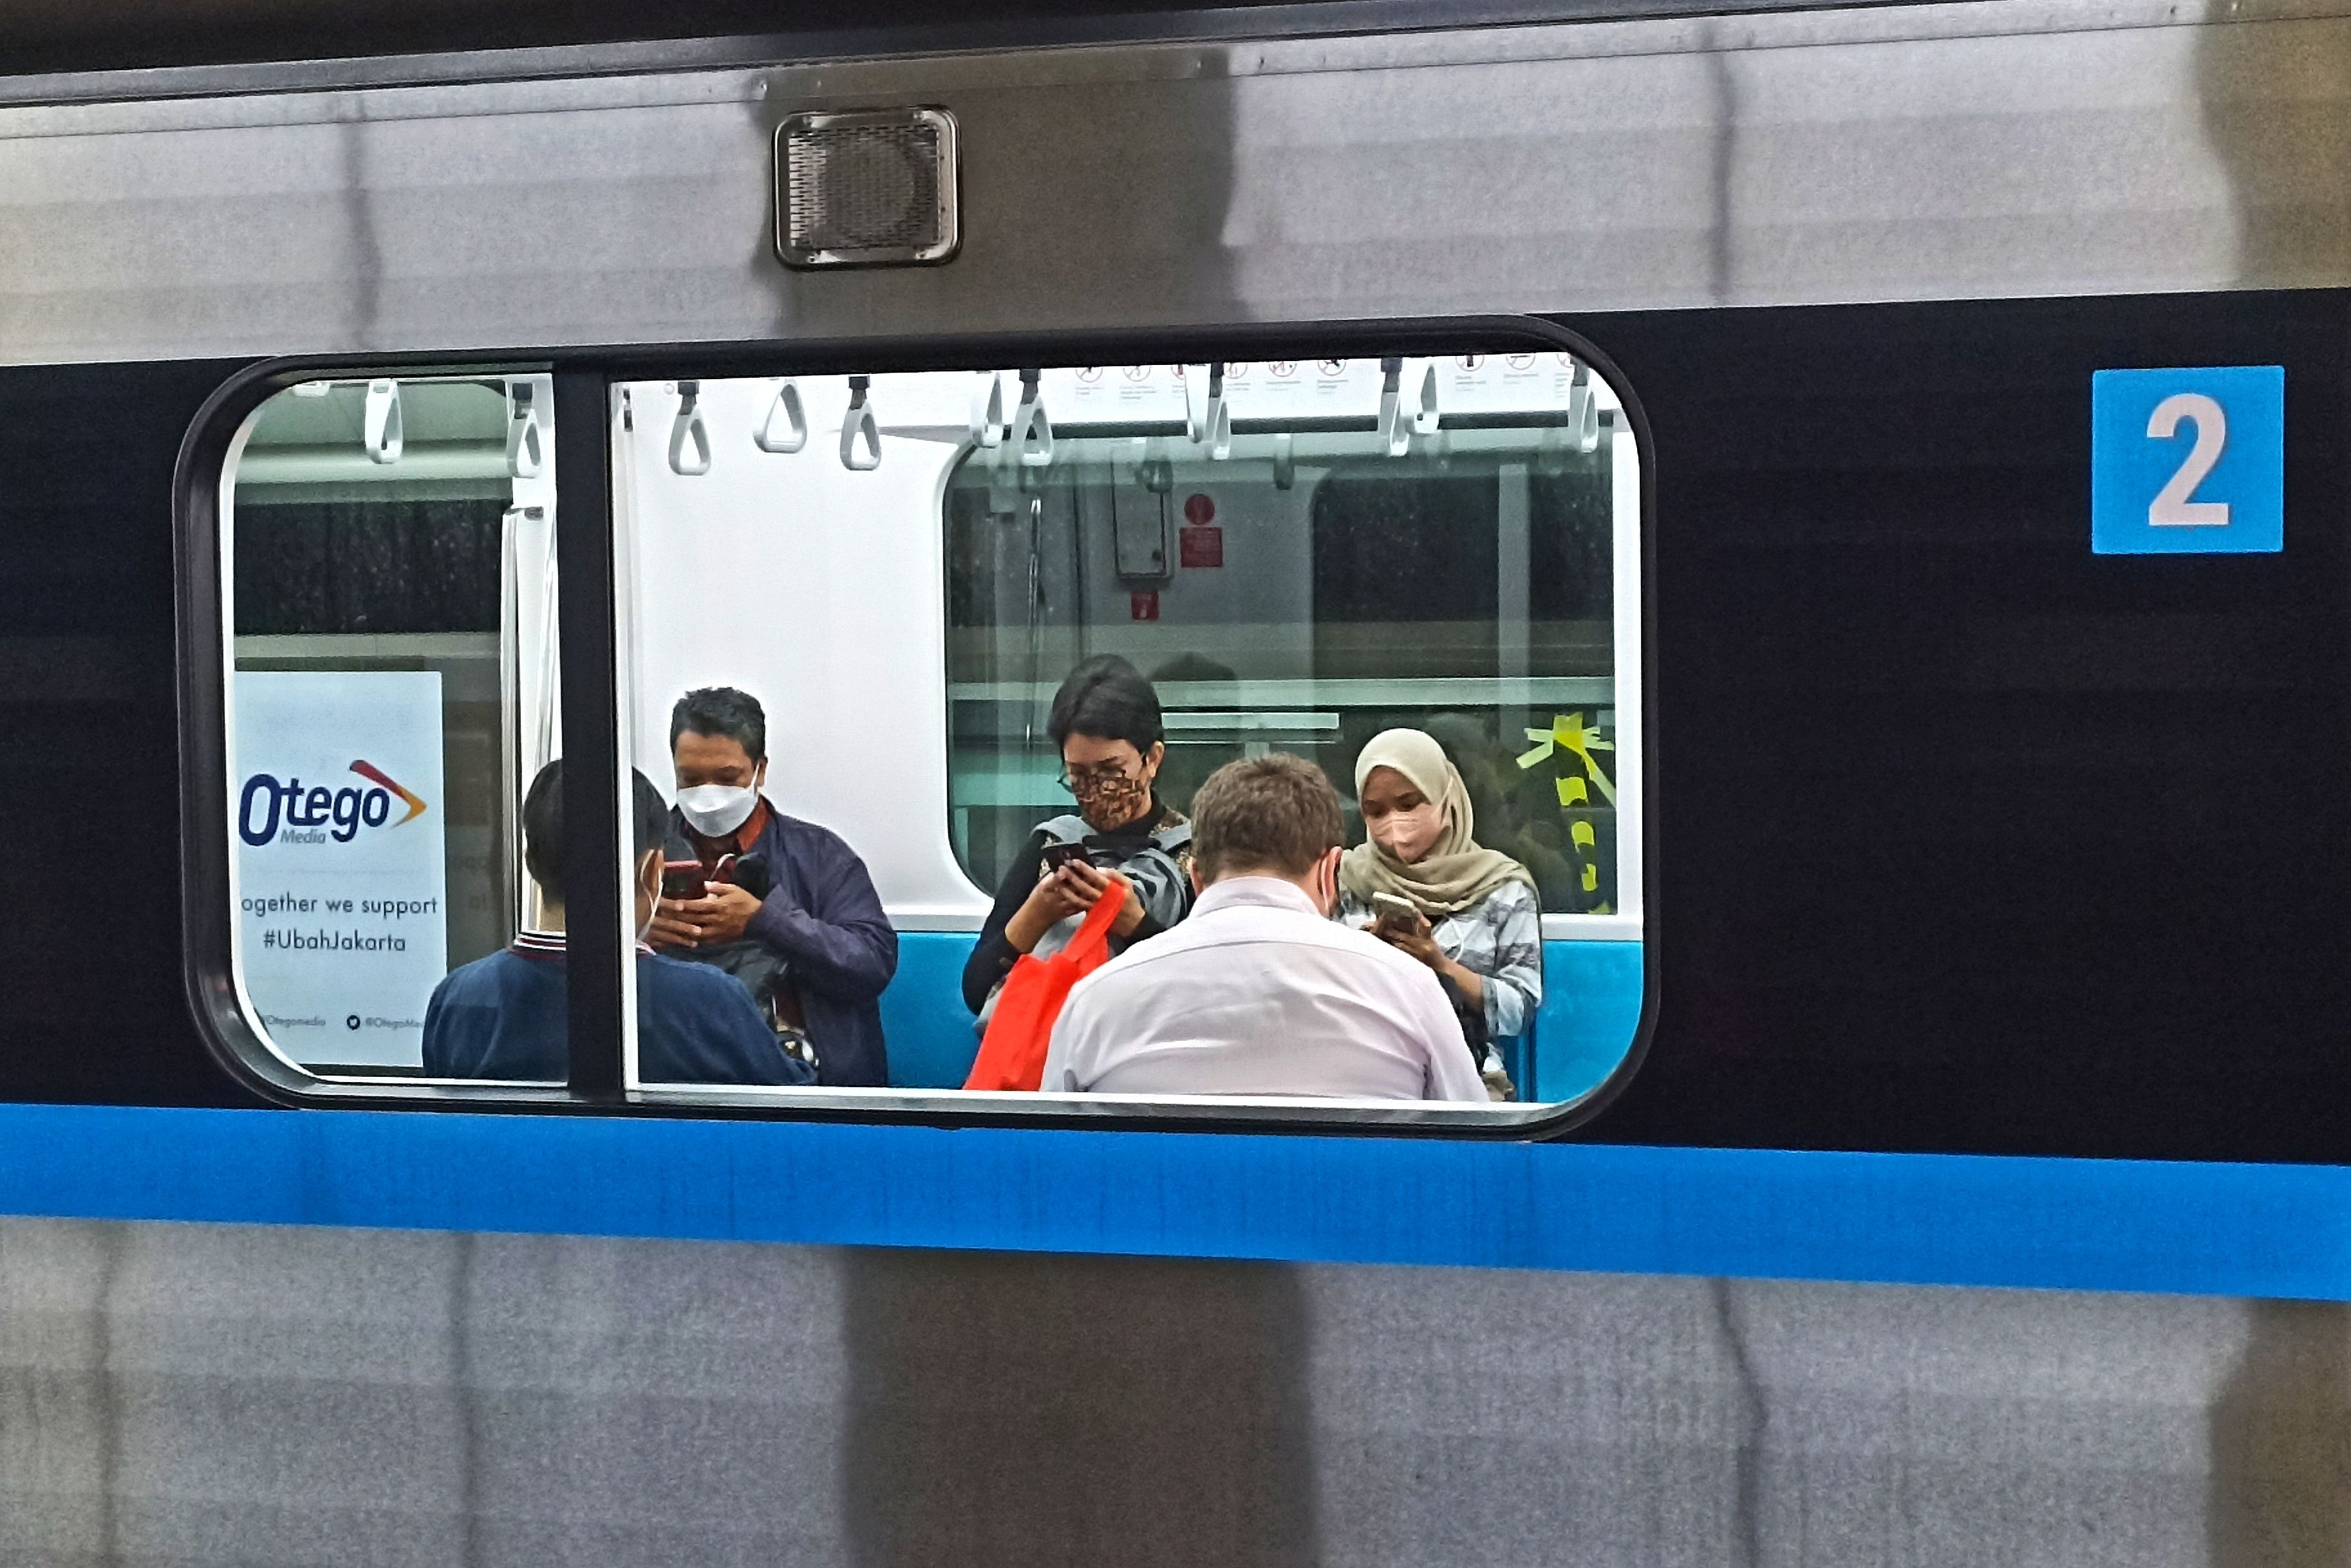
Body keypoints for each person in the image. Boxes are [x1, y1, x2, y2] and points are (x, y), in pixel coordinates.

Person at [1042, 752, 1486, 1100]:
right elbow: (1471, 1148)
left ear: (1196, 876)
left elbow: (1050, 1167)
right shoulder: (1410, 988)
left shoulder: (1093, 1002)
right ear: (1331, 873)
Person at [421, 762, 814, 1086]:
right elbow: (792, 1114)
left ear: (531, 864)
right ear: (652, 873)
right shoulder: (710, 1000)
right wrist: (790, 1041)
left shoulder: (455, 999)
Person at [649, 686, 897, 1088]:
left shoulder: (821, 857)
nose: (708, 794)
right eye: (690, 779)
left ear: (760, 771)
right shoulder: (639, 855)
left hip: (806, 1082)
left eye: (728, 778)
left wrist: (766, 921)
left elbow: (872, 965)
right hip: (671, 1081)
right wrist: (636, 933)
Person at [960, 655, 1194, 1025]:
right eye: (1078, 775)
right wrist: (1038, 913)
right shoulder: (1050, 845)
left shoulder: (1193, 857)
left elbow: (1200, 993)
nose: (1095, 791)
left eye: (1112, 772)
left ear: (1152, 759)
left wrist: (1136, 925)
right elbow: (976, 991)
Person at [1338, 727, 1544, 1100]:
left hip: (1471, 1074)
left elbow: (1521, 1010)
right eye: (1376, 811)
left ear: (1442, 796)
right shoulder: (1348, 879)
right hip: (1362, 1073)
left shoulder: (1502, 889)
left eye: (1409, 803)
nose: (1394, 822)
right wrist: (1366, 958)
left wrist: (1443, 967)